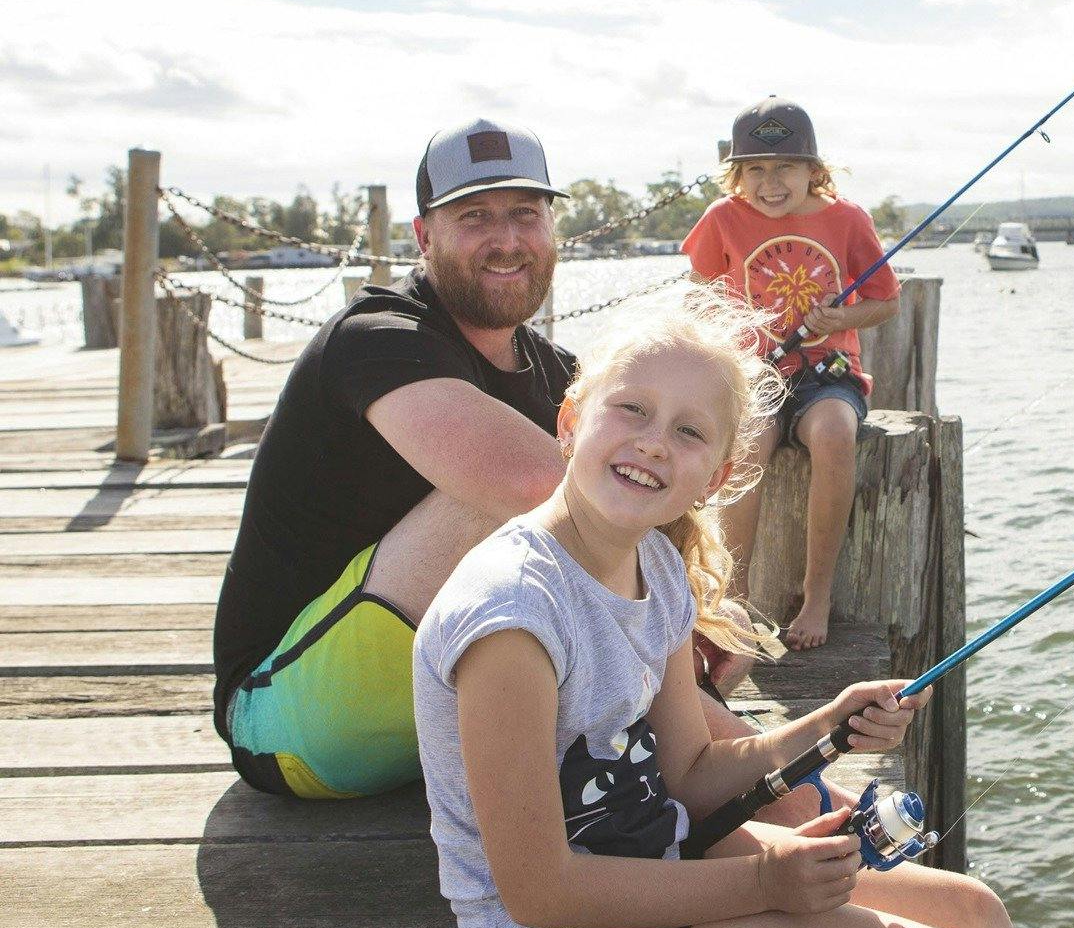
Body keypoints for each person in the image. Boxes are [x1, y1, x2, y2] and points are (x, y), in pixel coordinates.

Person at [413, 287, 1074, 928]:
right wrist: (765, 886)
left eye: (689, 431)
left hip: (656, 859)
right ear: (569, 422)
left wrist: (820, 725)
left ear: (719, 474)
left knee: (973, 910)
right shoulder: (515, 616)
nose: (655, 442)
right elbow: (539, 890)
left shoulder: (653, 567)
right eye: (631, 410)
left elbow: (690, 770)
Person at [210, 118, 774, 801]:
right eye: (475, 216)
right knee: (539, 497)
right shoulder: (375, 338)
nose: (507, 239)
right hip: (288, 724)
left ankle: (676, 733)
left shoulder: (556, 374)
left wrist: (696, 628)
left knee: (717, 625)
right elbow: (540, 487)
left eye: (525, 214)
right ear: (424, 238)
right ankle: (708, 753)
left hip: (434, 720)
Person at [683, 97, 899, 651]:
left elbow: (885, 301)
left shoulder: (848, 219)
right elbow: (701, 290)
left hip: (828, 373)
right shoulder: (721, 219)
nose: (770, 182)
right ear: (736, 174)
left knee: (834, 435)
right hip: (753, 370)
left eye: (785, 167)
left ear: (813, 171)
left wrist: (843, 318)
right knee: (746, 445)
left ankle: (816, 593)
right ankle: (735, 595)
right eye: (755, 168)